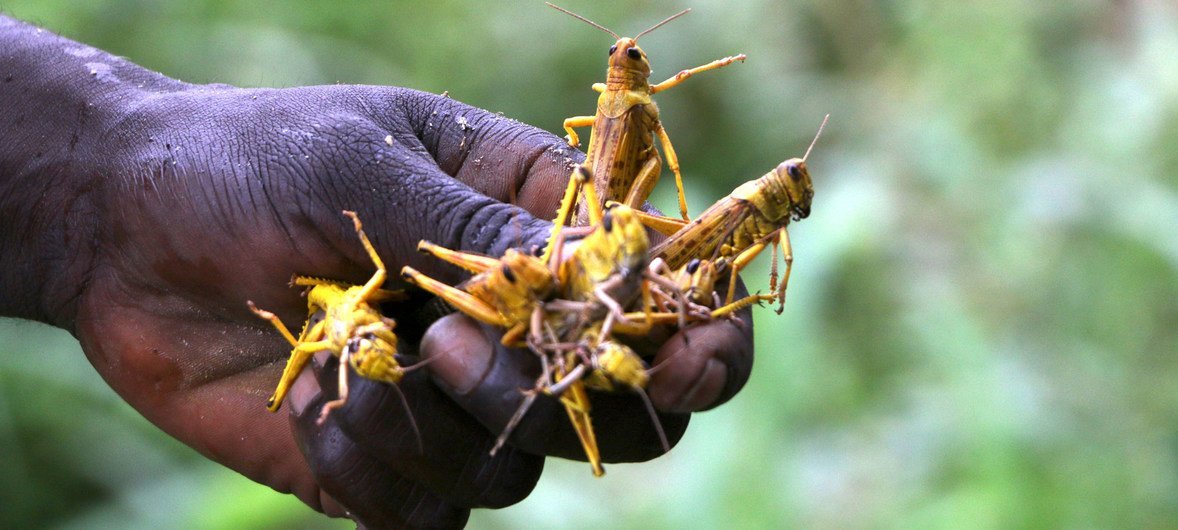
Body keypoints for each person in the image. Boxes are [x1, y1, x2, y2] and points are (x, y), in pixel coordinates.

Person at [0, 14, 754, 528]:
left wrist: (94, 201)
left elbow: (654, 168)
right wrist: (97, 199)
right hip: (457, 281)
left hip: (585, 251)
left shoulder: (639, 111)